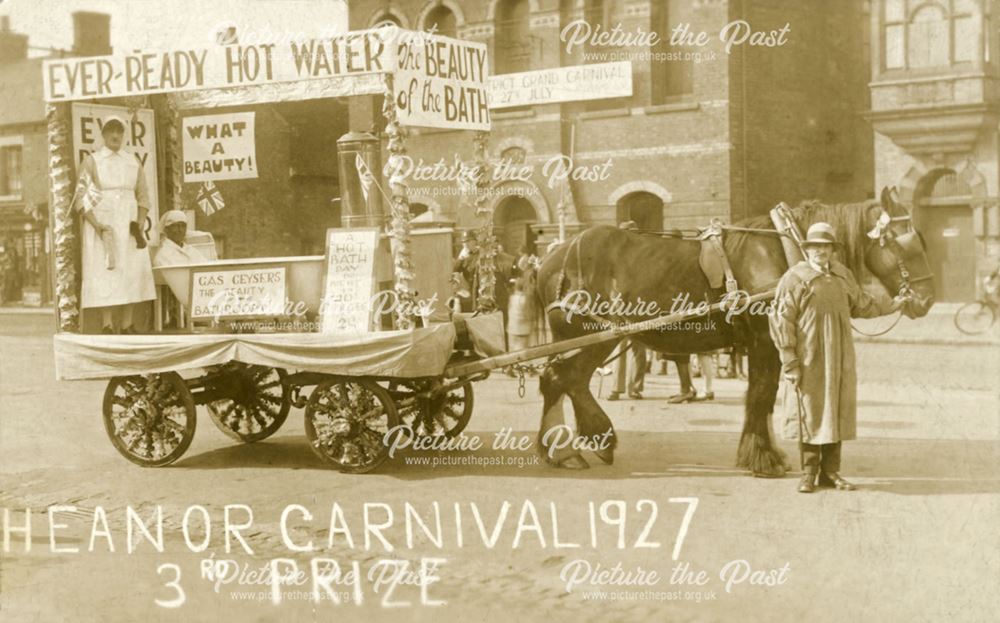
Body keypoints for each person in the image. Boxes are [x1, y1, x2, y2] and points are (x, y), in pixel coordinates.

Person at [770, 222, 908, 493]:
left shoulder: (842, 275)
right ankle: (809, 473)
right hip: (808, 356)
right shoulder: (795, 277)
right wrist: (790, 361)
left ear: (832, 249)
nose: (820, 251)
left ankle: (831, 472)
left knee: (836, 408)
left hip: (840, 354)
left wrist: (893, 304)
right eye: (814, 247)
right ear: (807, 249)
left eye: (825, 246)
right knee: (810, 410)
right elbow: (781, 319)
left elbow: (861, 304)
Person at [74, 115, 156, 334]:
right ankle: (108, 324)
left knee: (130, 269)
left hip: (128, 223)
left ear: (123, 134)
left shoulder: (132, 161)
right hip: (104, 222)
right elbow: (81, 197)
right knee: (106, 271)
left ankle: (128, 324)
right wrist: (97, 225)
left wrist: (138, 224)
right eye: (110, 130)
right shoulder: (93, 160)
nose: (115, 135)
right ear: (103, 135)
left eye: (119, 131)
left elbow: (144, 196)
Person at [608, 221, 646, 400]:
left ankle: (630, 388)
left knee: (636, 348)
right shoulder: (627, 255)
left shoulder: (635, 255)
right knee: (626, 348)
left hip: (634, 306)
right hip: (624, 305)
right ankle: (624, 388)